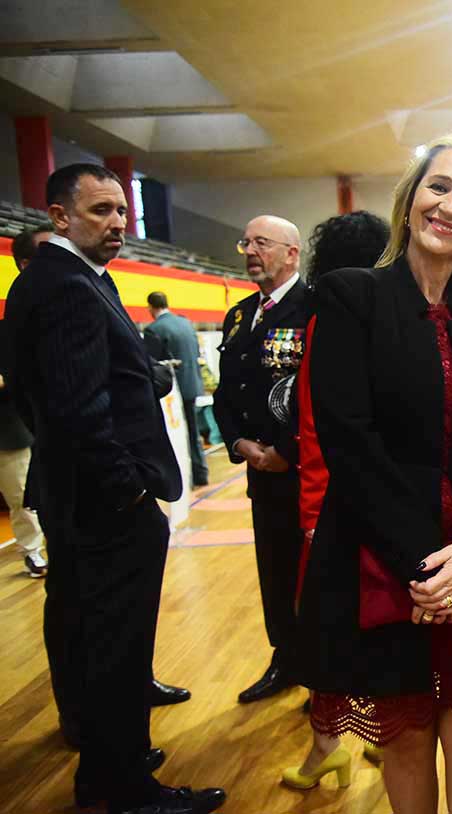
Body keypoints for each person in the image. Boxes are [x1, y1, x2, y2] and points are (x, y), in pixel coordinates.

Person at [296, 133, 452, 814]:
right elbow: (350, 443)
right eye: (439, 187)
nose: (450, 207)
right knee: (404, 740)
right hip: (381, 559)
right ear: (409, 201)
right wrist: (430, 569)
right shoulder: (350, 297)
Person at [3, 163, 224, 814]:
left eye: (123, 210)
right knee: (117, 647)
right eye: (101, 210)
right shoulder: (68, 286)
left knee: (92, 640)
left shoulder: (52, 281)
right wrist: (128, 492)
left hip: (77, 496)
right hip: (106, 504)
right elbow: (78, 411)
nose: (119, 223)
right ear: (59, 216)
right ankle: (123, 787)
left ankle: (107, 755)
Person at [276, 210, 390, 787]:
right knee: (382, 624)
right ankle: (385, 737)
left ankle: (327, 748)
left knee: (329, 633)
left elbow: (317, 428)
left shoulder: (331, 319)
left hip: (336, 506)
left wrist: (312, 514)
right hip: (388, 502)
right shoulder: (393, 314)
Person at [213, 214, 310, 705]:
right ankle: (286, 658)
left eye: (262, 243)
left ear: (292, 253)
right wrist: (237, 443)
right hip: (261, 473)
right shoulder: (239, 315)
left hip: (307, 473)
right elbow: (225, 393)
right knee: (273, 570)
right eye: (246, 242)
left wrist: (287, 451)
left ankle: (322, 671)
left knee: (314, 576)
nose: (250, 251)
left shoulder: (314, 307)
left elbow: (325, 392)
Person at [1, 223, 52, 577]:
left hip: (48, 428)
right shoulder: (9, 325)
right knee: (22, 495)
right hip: (12, 429)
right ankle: (33, 550)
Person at [144, 292, 208, 487]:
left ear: (151, 307)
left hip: (171, 393)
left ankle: (180, 479)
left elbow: (151, 364)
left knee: (175, 437)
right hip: (192, 386)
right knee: (193, 433)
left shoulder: (154, 329)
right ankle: (200, 473)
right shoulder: (185, 323)